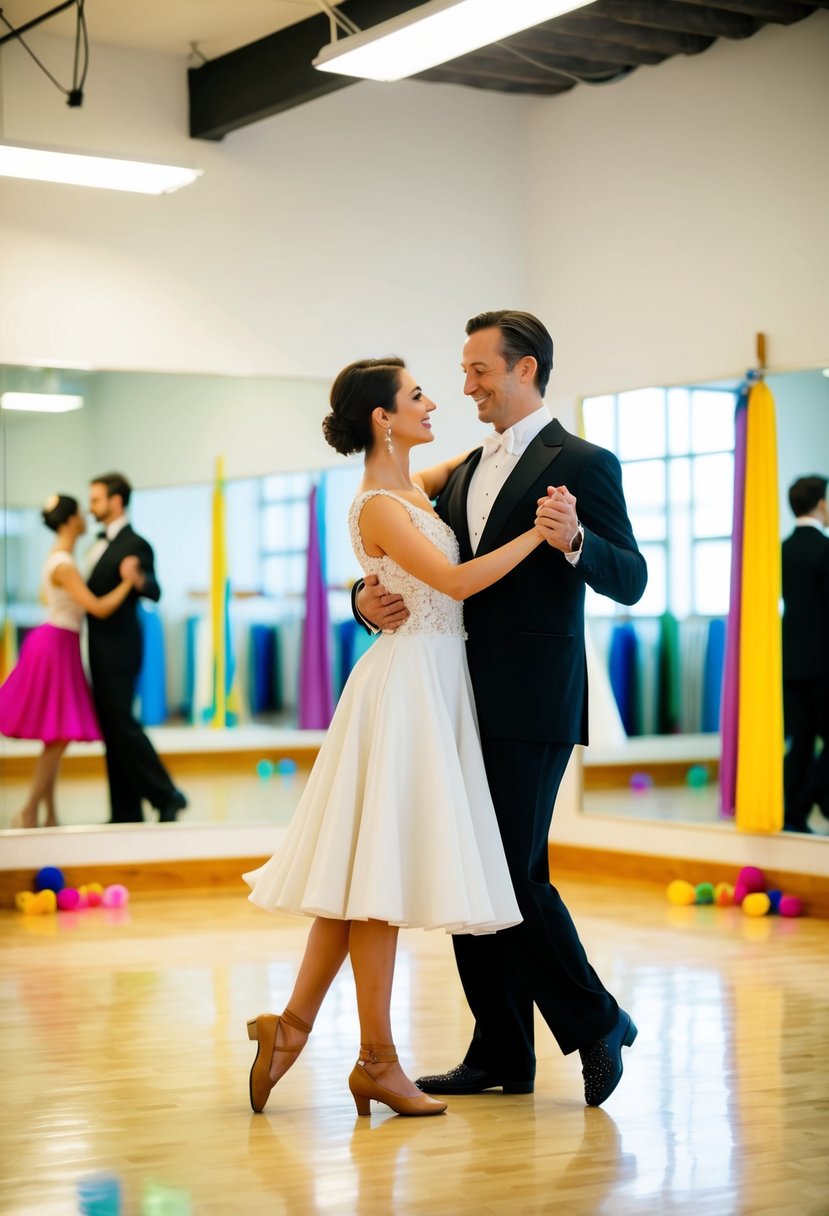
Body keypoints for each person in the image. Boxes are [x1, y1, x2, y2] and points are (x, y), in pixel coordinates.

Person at [354, 311, 648, 1107]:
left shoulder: (584, 461)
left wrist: (577, 539)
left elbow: (632, 578)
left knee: (509, 876)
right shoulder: (460, 469)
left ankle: (597, 1022)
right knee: (468, 870)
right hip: (449, 700)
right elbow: (405, 553)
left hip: (531, 701)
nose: (465, 385)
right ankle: (499, 1051)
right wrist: (363, 599)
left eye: (478, 370)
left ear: (523, 369)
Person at [244, 356, 550, 1120]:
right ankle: (376, 1060)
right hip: (406, 687)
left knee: (358, 882)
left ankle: (290, 1029)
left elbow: (483, 459)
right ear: (383, 417)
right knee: (374, 878)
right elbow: (451, 584)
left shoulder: (415, 486)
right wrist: (539, 539)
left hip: (431, 682)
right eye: (416, 395)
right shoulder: (380, 504)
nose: (433, 401)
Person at [0, 494, 140, 828]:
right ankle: (30, 808)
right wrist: (127, 582)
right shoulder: (63, 563)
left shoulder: (61, 558)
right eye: (79, 513)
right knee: (58, 735)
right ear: (67, 522)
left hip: (61, 642)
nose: (84, 517)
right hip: (55, 645)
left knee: (56, 733)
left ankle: (47, 811)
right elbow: (99, 608)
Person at [87, 473, 186, 824]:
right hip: (100, 648)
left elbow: (154, 590)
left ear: (116, 501)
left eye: (96, 499)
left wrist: (139, 578)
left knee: (123, 725)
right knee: (112, 730)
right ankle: (125, 812)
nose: (90, 506)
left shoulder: (135, 544)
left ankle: (166, 794)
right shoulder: (98, 543)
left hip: (120, 648)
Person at [781, 474, 829, 834]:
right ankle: (803, 804)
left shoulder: (781, 549)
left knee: (799, 742)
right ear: (821, 503)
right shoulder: (825, 550)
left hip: (789, 658)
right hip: (823, 662)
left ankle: (792, 812)